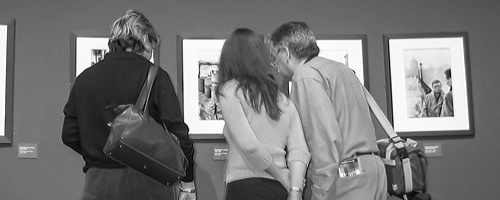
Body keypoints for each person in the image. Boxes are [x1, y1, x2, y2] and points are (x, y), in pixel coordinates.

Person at [61, 9, 196, 200]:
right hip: (148, 181)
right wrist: (188, 183)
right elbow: (179, 133)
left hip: (98, 184)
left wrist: (102, 154)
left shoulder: (84, 79)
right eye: (151, 46)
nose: (151, 54)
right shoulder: (155, 76)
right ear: (144, 40)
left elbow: (69, 134)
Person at [268, 22, 387, 200]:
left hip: (348, 175)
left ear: (285, 52)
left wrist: (320, 191)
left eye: (274, 56)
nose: (274, 65)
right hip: (373, 170)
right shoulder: (341, 69)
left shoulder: (305, 75)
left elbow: (322, 139)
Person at [216, 28, 310, 200]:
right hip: (278, 190)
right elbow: (299, 150)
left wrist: (281, 175)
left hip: (244, 186)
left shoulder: (230, 90)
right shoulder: (281, 97)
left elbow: (249, 145)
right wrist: (295, 190)